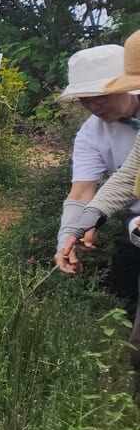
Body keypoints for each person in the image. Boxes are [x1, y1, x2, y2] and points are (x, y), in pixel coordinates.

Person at [53, 44, 140, 317]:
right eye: (85, 99)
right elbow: (86, 190)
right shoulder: (92, 133)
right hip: (134, 225)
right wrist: (73, 233)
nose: (93, 105)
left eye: (100, 95)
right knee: (126, 303)